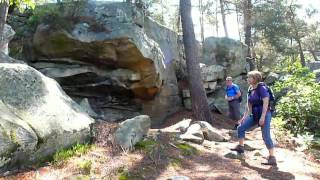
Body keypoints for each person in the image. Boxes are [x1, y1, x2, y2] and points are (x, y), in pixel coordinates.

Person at [231, 70, 277, 166]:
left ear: (255, 79)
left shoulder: (262, 89)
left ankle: (272, 157)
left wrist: (263, 117)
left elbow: (266, 103)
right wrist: (243, 118)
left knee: (265, 136)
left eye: (249, 77)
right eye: (247, 77)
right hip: (255, 115)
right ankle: (241, 146)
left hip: (265, 114)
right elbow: (249, 106)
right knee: (241, 127)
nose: (247, 79)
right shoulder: (250, 89)